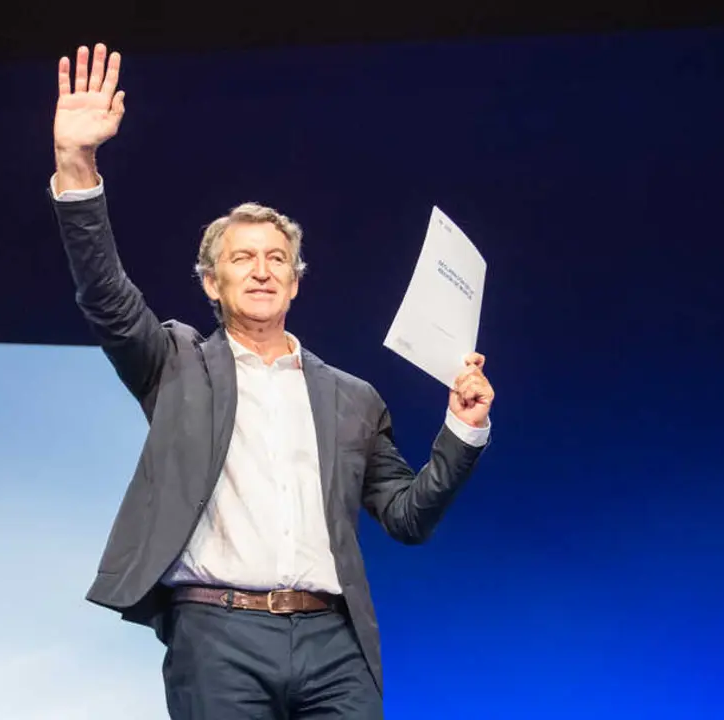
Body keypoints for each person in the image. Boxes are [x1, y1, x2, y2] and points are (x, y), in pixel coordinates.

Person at [47, 43, 495, 719]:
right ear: (212, 282)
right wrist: (77, 165)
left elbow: (406, 517)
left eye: (277, 259)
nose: (261, 269)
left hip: (334, 641)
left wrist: (463, 426)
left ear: (294, 280)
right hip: (218, 633)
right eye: (243, 259)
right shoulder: (175, 362)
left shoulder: (351, 397)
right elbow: (106, 295)